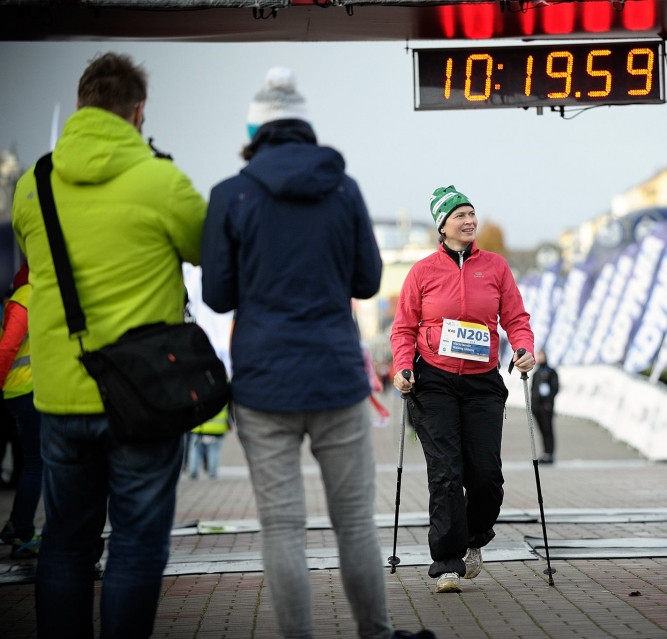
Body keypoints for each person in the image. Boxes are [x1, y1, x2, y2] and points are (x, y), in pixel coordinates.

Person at [202, 66, 431, 639]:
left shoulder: (231, 195)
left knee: (282, 528)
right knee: (354, 523)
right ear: (304, 127)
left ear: (256, 132)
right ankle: (375, 634)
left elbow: (217, 293)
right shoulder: (343, 187)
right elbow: (367, 280)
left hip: (262, 384)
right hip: (334, 376)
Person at [11, 52, 207, 638]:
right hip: (143, 398)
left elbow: (31, 258)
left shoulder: (32, 184)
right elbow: (207, 251)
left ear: (80, 106)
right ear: (138, 111)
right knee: (136, 545)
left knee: (66, 544)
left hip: (60, 396)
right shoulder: (161, 180)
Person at [390, 185, 536, 594]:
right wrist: (403, 367)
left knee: (486, 476)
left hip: (482, 382)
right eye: (460, 215)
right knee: (446, 474)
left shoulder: (495, 267)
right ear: (443, 225)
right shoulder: (422, 272)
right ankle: (447, 562)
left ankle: (473, 537)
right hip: (433, 382)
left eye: (472, 214)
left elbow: (516, 318)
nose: (469, 221)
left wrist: (524, 348)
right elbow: (402, 328)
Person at [0, 261, 43, 558]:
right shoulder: (27, 297)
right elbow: (7, 348)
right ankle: (22, 531)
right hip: (23, 390)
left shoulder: (32, 295)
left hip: (25, 390)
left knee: (34, 461)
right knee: (36, 463)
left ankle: (16, 524)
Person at [531, 348, 560, 464]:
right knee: (542, 430)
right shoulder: (537, 372)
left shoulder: (551, 372)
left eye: (541, 355)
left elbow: (555, 388)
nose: (540, 358)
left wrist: (548, 402)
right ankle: (545, 453)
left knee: (548, 430)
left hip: (546, 407)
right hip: (537, 407)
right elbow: (533, 389)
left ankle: (550, 453)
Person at [186, 405, 230, 480]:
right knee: (214, 452)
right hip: (217, 429)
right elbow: (229, 413)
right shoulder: (223, 395)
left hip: (199, 429)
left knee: (195, 451)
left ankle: (193, 471)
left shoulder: (198, 394)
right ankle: (212, 473)